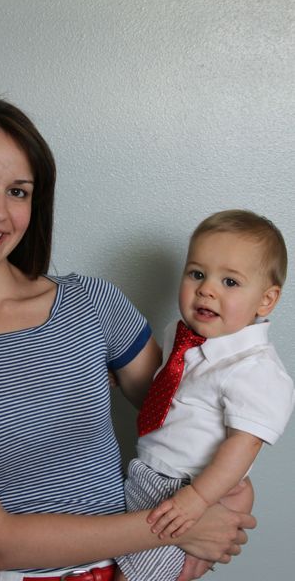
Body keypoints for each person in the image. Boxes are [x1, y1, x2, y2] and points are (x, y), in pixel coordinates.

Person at [0, 98, 255, 581]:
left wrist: (226, 498)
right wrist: (178, 529)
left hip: (138, 570)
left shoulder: (90, 303)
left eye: (18, 191)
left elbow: (193, 417)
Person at [115, 209, 295, 581]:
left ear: (266, 300)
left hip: (184, 488)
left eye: (230, 281)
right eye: (197, 274)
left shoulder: (255, 369)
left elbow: (244, 445)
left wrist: (198, 498)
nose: (207, 289)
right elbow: (171, 390)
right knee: (108, 555)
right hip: (146, 472)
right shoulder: (180, 335)